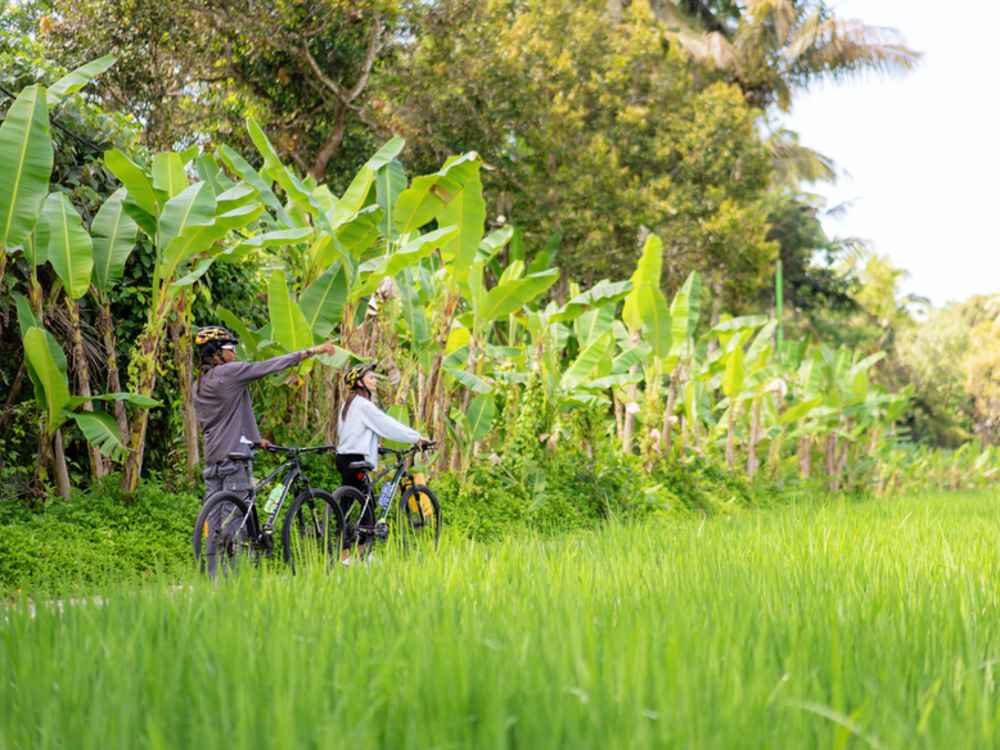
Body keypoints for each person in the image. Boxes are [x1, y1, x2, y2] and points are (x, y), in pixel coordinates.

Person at [193, 326, 335, 559]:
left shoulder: (198, 384)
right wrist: (313, 351)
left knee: (215, 520)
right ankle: (232, 578)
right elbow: (269, 366)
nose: (235, 353)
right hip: (234, 458)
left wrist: (256, 440)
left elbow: (224, 418)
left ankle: (212, 577)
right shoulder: (229, 373)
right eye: (231, 348)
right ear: (217, 353)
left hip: (213, 458)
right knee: (233, 523)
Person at [336, 362, 431, 558]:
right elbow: (387, 425)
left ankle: (345, 555)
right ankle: (360, 556)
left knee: (347, 504)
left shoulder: (348, 404)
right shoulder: (364, 405)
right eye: (371, 378)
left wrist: (372, 444)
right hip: (357, 457)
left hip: (344, 457)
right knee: (367, 505)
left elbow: (348, 432)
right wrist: (416, 437)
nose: (375, 381)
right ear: (360, 383)